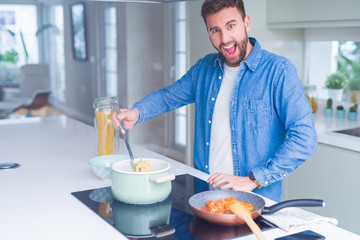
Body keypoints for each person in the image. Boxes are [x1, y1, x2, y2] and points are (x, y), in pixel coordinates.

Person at [112, 0, 317, 202]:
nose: (225, 38)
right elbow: (168, 96)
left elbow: (305, 138)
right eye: (215, 30)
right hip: (206, 196)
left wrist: (253, 179)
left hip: (255, 201)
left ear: (246, 23)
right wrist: (137, 112)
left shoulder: (278, 71)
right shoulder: (204, 68)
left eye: (231, 26)